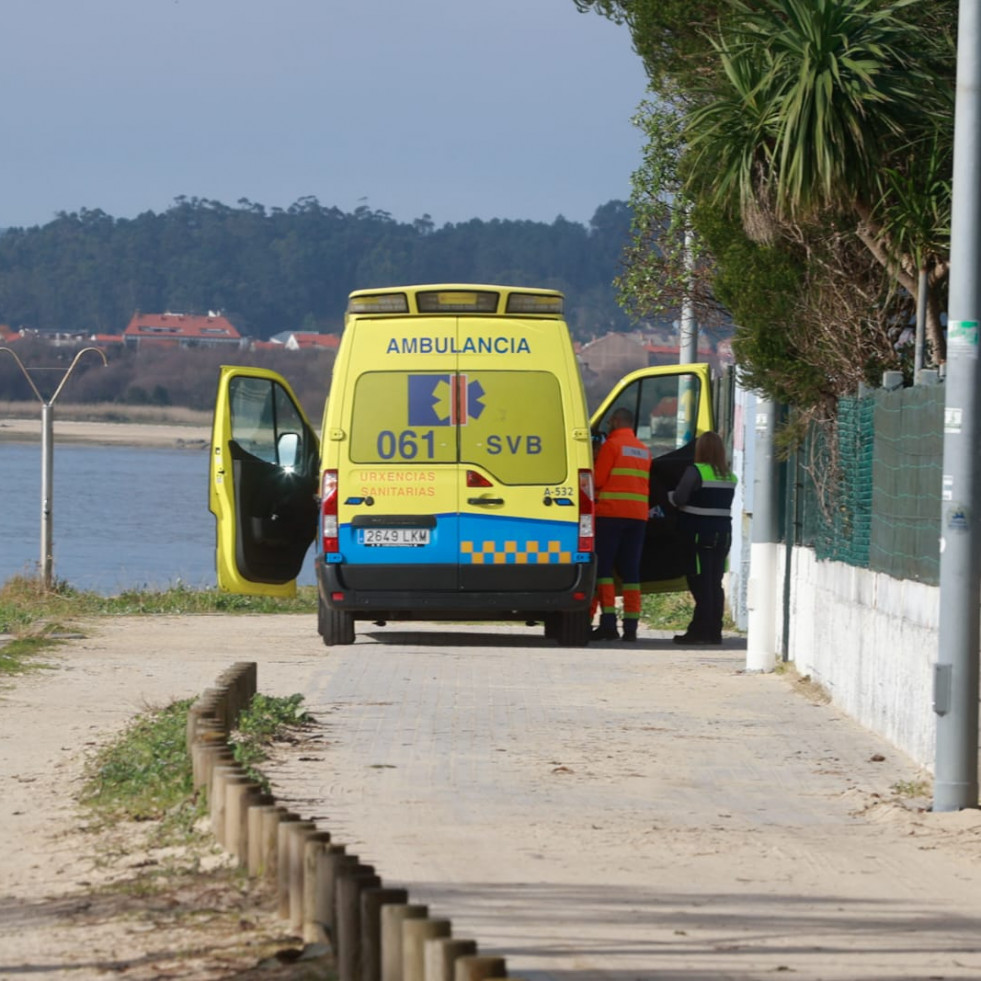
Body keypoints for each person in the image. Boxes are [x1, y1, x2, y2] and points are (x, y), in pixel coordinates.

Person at [669, 431, 737, 645]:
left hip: (698, 534)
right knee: (715, 582)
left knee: (700, 582)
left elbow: (680, 498)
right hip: (723, 535)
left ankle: (699, 631)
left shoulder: (696, 471)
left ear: (700, 450)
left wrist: (668, 496)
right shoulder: (729, 476)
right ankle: (714, 631)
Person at [591, 407, 652, 642]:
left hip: (611, 513)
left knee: (604, 570)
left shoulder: (612, 446)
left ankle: (608, 623)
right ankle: (631, 627)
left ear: (616, 421)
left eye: (610, 420)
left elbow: (598, 479)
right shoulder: (643, 450)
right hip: (637, 517)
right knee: (631, 572)